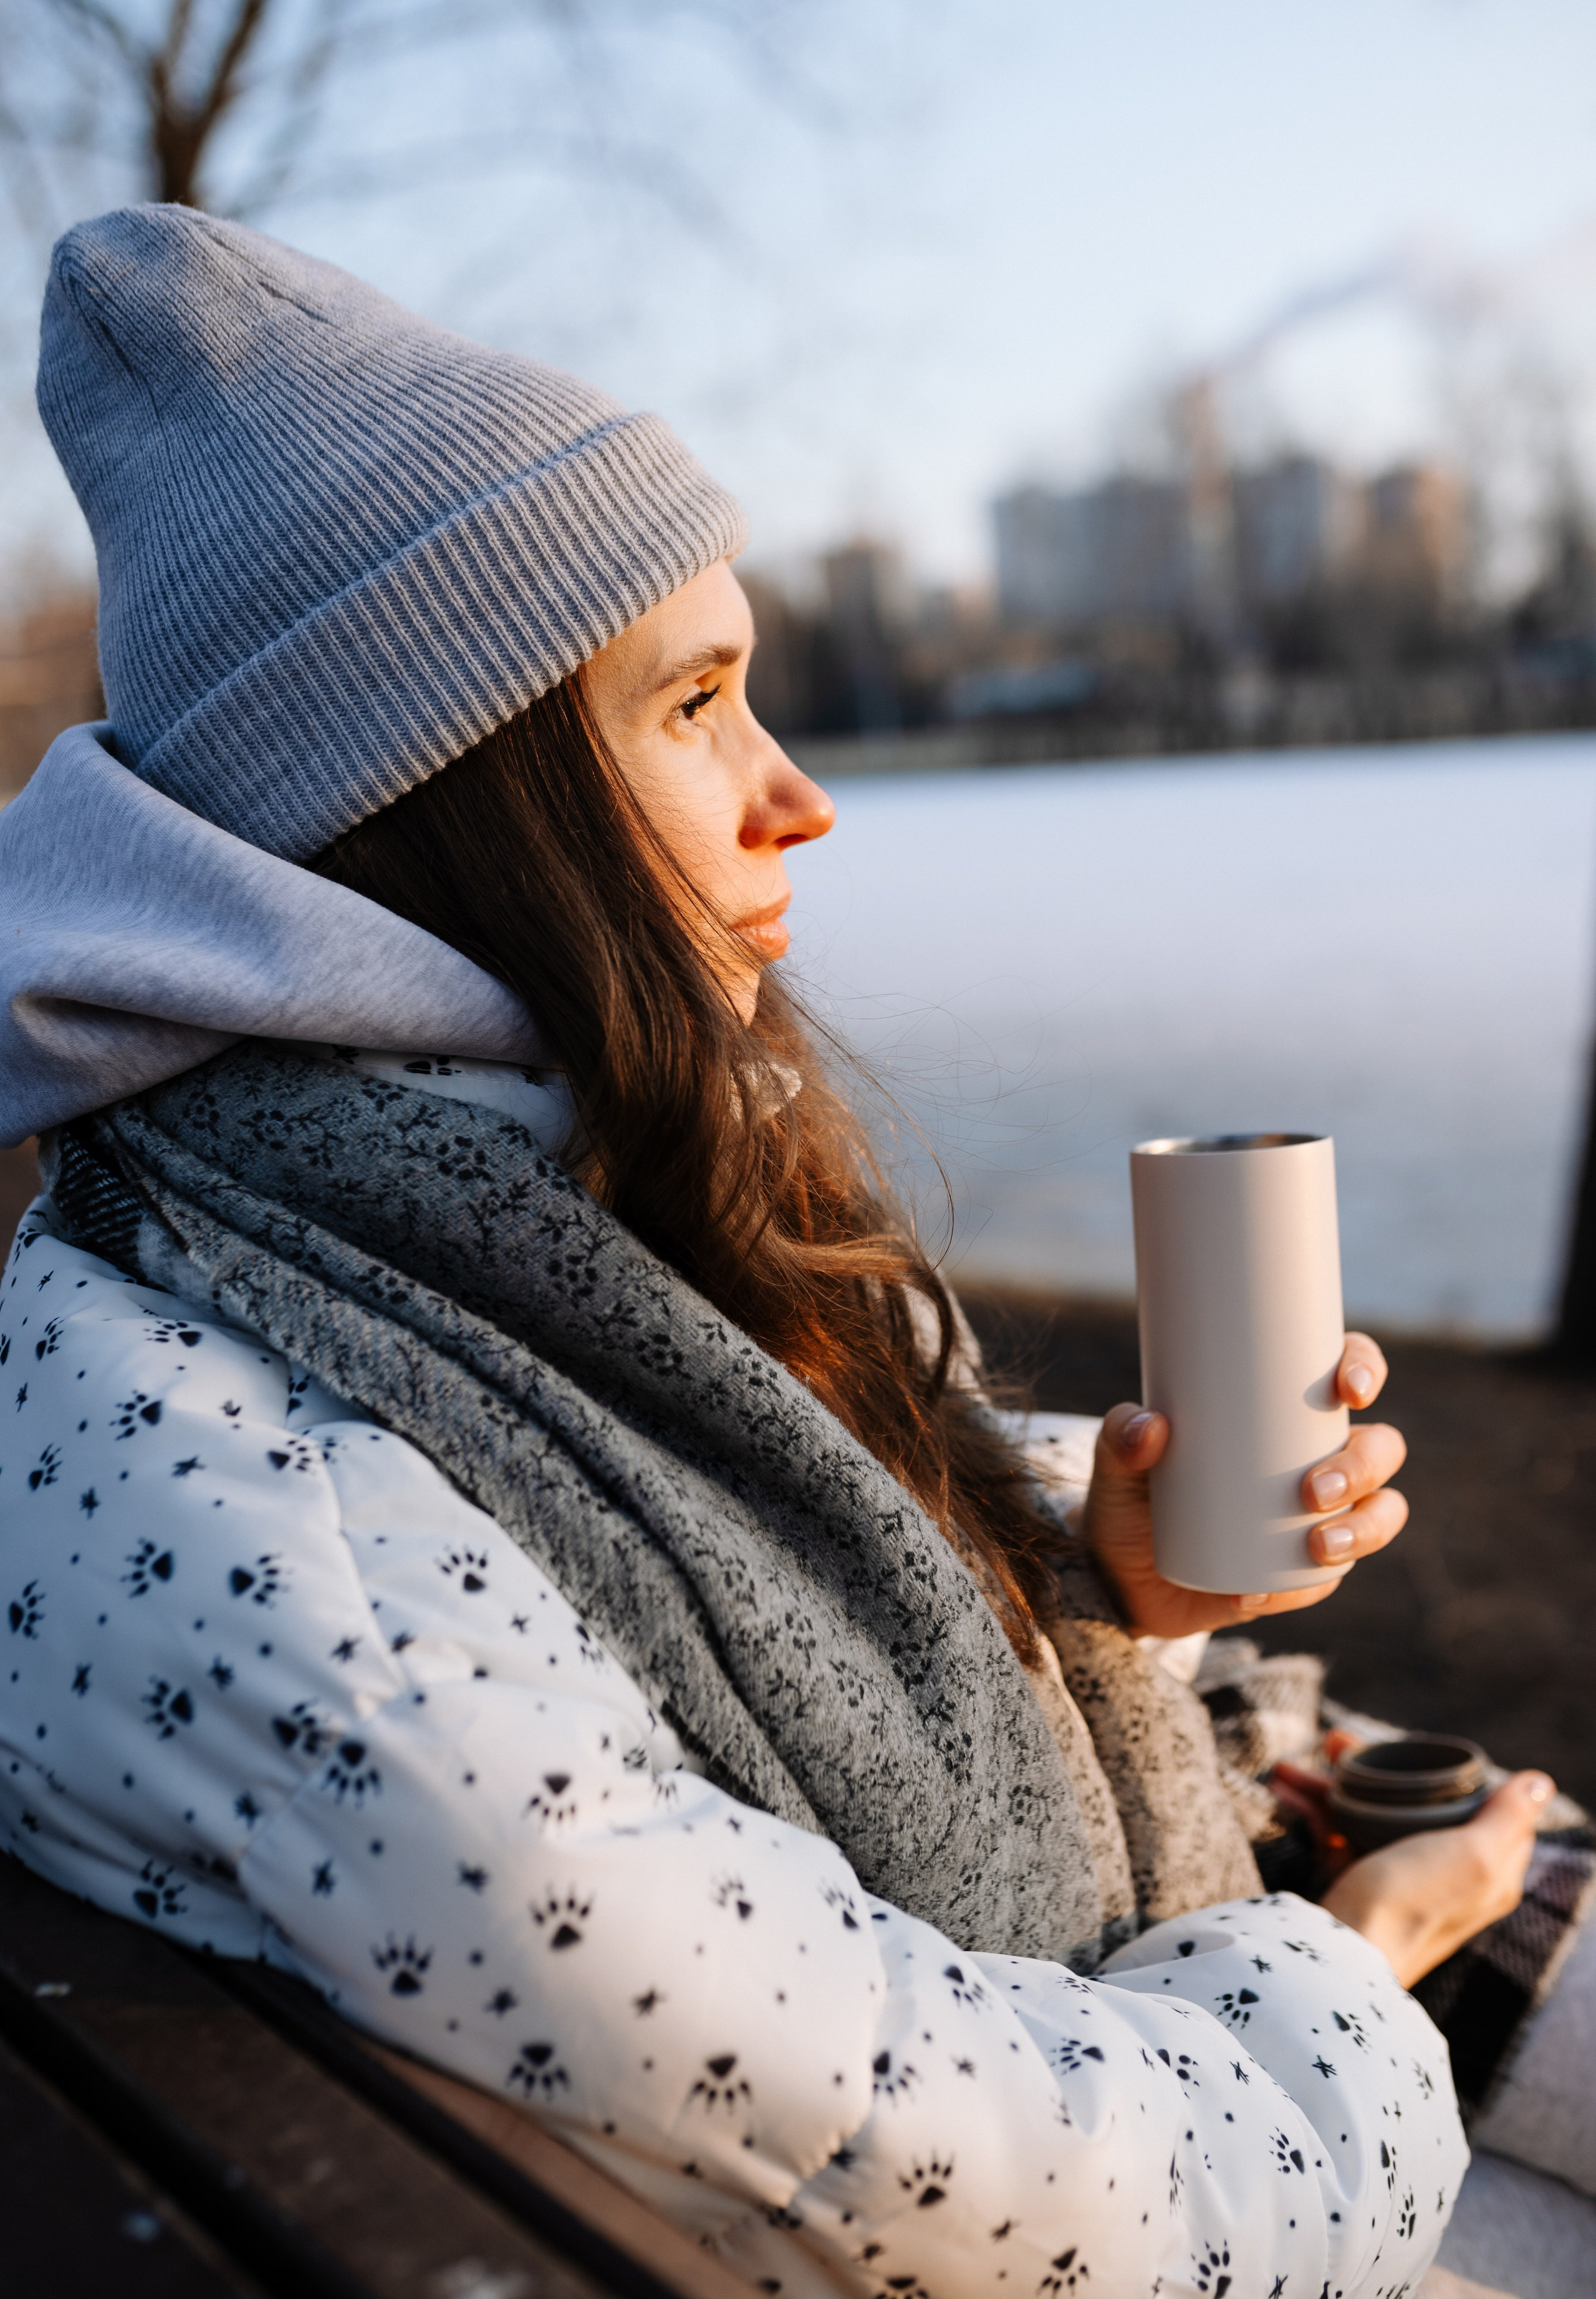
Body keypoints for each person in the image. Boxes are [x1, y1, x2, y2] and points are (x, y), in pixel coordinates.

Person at [0, 204, 1550, 2299]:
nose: (797, 795)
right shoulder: (281, 1512)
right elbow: (988, 2195)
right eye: (699, 701)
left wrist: (1096, 1571)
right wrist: (1348, 1971)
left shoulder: (417, 1215)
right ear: (450, 795)